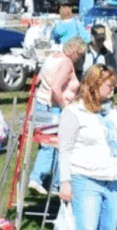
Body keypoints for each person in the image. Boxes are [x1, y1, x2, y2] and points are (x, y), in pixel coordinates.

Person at [57, 65, 117, 230]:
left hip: (112, 178)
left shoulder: (112, 112)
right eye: (109, 85)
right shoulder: (73, 113)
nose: (112, 90)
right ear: (94, 85)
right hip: (84, 177)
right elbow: (63, 150)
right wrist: (64, 182)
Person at [26, 36, 86, 193]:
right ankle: (40, 178)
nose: (79, 58)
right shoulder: (66, 62)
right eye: (79, 54)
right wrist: (65, 107)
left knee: (49, 144)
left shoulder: (52, 57)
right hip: (52, 107)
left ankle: (51, 183)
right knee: (55, 145)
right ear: (73, 49)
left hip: (41, 104)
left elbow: (39, 79)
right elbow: (56, 88)